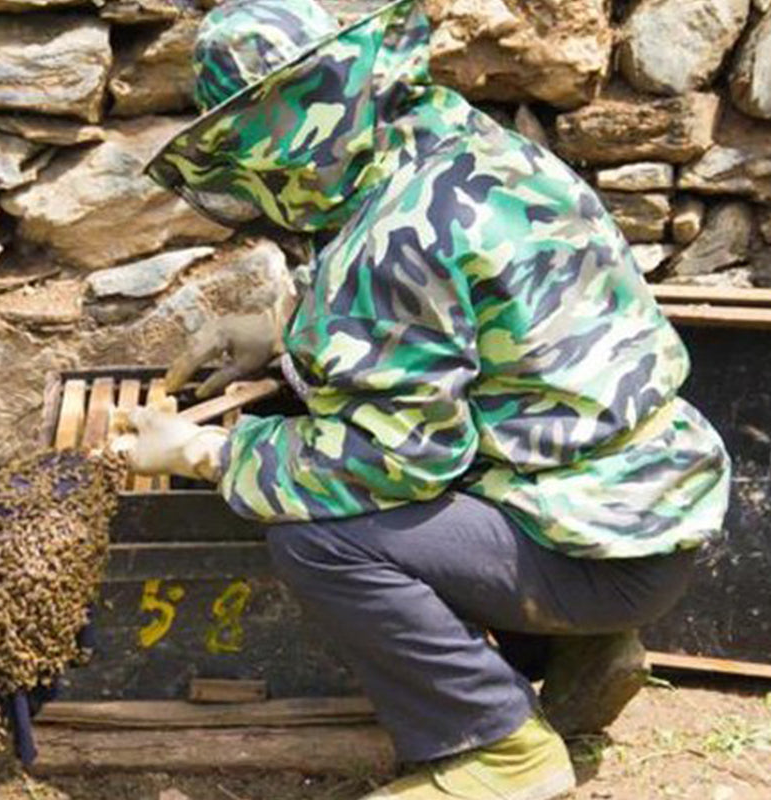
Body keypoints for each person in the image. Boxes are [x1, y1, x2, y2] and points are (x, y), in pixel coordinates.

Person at [115, 1, 731, 797]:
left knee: (320, 534)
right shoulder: (446, 139)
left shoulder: (390, 241)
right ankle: (578, 650)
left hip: (598, 548)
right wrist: (280, 333)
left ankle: (500, 747)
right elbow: (455, 334)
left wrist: (210, 452)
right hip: (644, 507)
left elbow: (396, 460)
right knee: (341, 442)